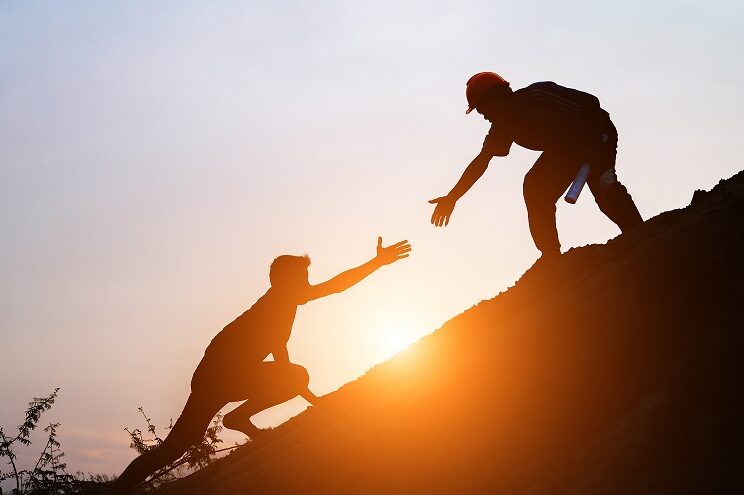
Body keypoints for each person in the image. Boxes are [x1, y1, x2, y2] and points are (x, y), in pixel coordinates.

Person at [111, 237, 412, 493]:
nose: (307, 283)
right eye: (302, 277)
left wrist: (307, 394)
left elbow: (278, 350)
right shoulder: (279, 300)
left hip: (215, 375)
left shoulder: (280, 304)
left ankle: (118, 489)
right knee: (177, 446)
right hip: (218, 375)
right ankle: (238, 420)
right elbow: (334, 287)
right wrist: (376, 264)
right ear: (285, 280)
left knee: (175, 447)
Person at [429, 72, 643, 260]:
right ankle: (550, 256)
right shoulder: (502, 126)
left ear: (497, 96)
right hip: (565, 150)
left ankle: (641, 235)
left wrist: (595, 142)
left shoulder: (538, 95)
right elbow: (481, 162)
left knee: (605, 188)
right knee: (534, 187)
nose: (483, 115)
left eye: (482, 108)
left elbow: (589, 104)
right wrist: (452, 197)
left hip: (596, 134)